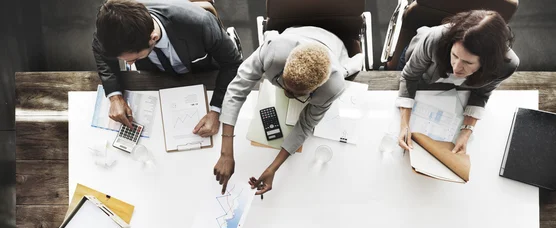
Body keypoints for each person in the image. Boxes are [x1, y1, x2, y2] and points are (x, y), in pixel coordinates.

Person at [214, 26, 364, 195]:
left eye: (297, 94)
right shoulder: (273, 51)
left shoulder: (332, 88)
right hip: (295, 32)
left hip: (333, 44)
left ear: (318, 88)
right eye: (284, 84)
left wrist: (273, 168)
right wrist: (226, 152)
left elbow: (306, 125)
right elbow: (237, 89)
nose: (287, 93)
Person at [92, 0, 242, 136]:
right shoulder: (111, 28)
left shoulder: (200, 23)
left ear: (154, 38)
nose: (130, 64)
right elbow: (99, 48)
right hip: (155, 79)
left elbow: (233, 63)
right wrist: (115, 96)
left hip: (204, 75)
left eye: (135, 59)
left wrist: (216, 111)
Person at [396, 10, 519, 154]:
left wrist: (466, 132)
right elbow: (410, 76)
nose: (456, 67)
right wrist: (404, 125)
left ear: (487, 63)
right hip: (418, 60)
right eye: (454, 55)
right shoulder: (434, 38)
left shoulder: (507, 66)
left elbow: (482, 94)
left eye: (467, 62)